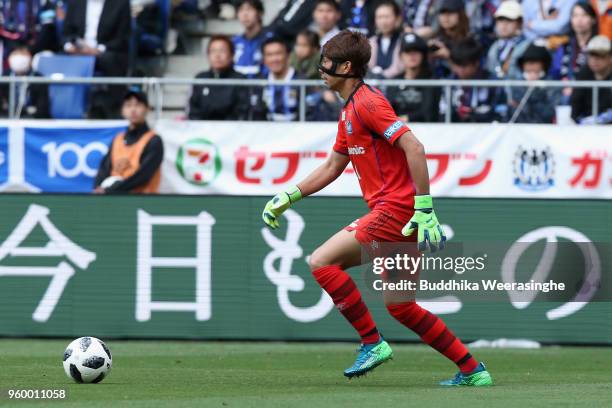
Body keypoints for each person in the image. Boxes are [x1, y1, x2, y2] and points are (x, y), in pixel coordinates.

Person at [261, 29, 493, 386]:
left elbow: (414, 147)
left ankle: (372, 342)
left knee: (321, 262)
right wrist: (289, 196)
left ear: (347, 66)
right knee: (401, 306)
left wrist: (425, 207)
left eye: (327, 62)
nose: (321, 68)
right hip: (402, 216)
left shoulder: (368, 103)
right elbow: (331, 167)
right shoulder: (349, 110)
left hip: (396, 212)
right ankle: (472, 370)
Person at [62, 0, 132, 118]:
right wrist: (69, 46)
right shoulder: (75, 3)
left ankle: (116, 109)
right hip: (78, 51)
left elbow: (123, 37)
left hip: (106, 51)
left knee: (110, 60)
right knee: (58, 60)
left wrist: (99, 49)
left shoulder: (121, 3)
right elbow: (66, 34)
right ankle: (65, 109)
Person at [94, 90, 164, 194]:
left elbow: (143, 175)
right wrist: (99, 187)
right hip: (114, 200)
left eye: (138, 105)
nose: (133, 109)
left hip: (141, 201)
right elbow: (104, 169)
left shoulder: (154, 140)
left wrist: (112, 190)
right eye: (128, 105)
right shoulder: (117, 139)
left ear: (147, 109)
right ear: (122, 110)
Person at [188, 35, 248, 120]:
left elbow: (241, 112)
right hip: (202, 130)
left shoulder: (240, 79)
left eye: (222, 51)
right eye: (213, 51)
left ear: (231, 55)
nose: (217, 55)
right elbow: (194, 111)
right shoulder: (200, 79)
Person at [442, 37, 499, 122]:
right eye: (457, 65)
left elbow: (498, 112)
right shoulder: (449, 82)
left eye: (464, 66)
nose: (460, 70)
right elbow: (443, 112)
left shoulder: (492, 82)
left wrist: (473, 114)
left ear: (476, 63)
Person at [386, 33, 440, 122]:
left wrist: (407, 118)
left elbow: (429, 113)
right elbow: (388, 110)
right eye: (407, 51)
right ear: (401, 56)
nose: (412, 55)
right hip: (397, 131)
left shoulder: (431, 81)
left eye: (416, 51)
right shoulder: (394, 81)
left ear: (423, 55)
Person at [250, 36, 303, 121]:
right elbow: (256, 113)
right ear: (264, 59)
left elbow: (308, 114)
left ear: (288, 55)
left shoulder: (302, 81)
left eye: (278, 53)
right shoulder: (260, 82)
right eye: (269, 55)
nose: (274, 59)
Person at [551, 2, 599, 81]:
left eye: (584, 15)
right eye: (575, 16)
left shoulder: (599, 46)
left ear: (593, 19)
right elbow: (555, 72)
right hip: (563, 90)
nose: (579, 20)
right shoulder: (564, 46)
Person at [511, 43, 557, 123]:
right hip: (519, 129)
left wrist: (535, 89)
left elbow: (548, 113)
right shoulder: (517, 86)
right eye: (527, 62)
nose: (530, 65)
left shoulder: (552, 85)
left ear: (543, 64)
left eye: (535, 61)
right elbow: (514, 113)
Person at [0, 44, 50, 118]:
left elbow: (42, 106)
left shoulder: (38, 78)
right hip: (8, 115)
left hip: (32, 117)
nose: (19, 63)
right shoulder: (5, 76)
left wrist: (29, 111)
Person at [571, 35, 611, 123]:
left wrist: (604, 118)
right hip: (586, 129)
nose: (594, 60)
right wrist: (581, 120)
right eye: (591, 55)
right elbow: (575, 106)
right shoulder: (583, 74)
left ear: (610, 58)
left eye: (600, 56)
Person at [486, 0, 530, 80]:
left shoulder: (528, 47)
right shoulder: (494, 48)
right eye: (500, 20)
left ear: (520, 23)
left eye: (509, 20)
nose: (504, 25)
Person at [429, 0, 472, 78]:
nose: (446, 17)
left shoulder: (470, 41)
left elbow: (466, 75)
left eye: (451, 12)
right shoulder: (437, 39)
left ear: (460, 14)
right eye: (442, 13)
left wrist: (448, 57)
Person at [368, 0, 404, 78]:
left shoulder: (403, 40)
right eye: (379, 17)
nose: (383, 21)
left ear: (397, 18)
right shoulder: (371, 42)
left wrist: (382, 75)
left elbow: (399, 67)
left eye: (387, 17)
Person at [233, 0, 268, 77]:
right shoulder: (234, 41)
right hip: (237, 87)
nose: (245, 14)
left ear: (260, 13)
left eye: (249, 9)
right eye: (241, 10)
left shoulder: (269, 40)